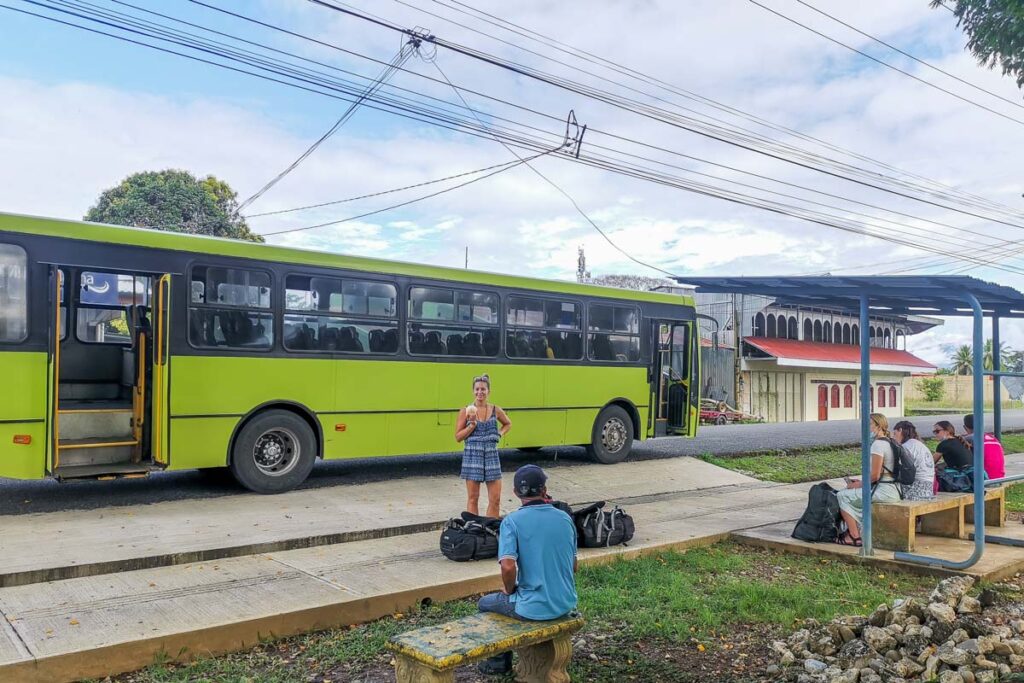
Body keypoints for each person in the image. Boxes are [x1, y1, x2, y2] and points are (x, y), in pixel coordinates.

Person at [476, 464, 578, 674]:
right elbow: (573, 566)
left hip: (533, 607)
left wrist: (510, 589)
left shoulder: (512, 522)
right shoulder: (565, 518)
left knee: (485, 604)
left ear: (515, 493)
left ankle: (497, 663)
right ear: (544, 489)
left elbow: (507, 565)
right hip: (566, 603)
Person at [836, 413, 901, 546]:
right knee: (851, 496)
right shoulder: (889, 442)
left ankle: (854, 536)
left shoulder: (878, 445)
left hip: (885, 491)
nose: (866, 428)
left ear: (878, 426)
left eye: (869, 425)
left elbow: (875, 476)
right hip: (893, 489)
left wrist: (856, 485)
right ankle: (855, 531)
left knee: (842, 496)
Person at [455, 374, 511, 518]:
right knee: (473, 498)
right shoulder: (466, 410)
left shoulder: (495, 409)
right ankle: (474, 530)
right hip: (473, 456)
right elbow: (458, 437)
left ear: (488, 391)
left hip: (492, 456)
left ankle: (490, 530)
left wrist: (499, 434)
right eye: (477, 389)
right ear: (473, 391)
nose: (480, 392)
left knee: (495, 499)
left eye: (483, 389)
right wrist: (471, 426)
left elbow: (508, 424)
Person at [892, 421, 935, 501]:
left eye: (894, 433)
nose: (894, 437)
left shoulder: (906, 447)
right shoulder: (919, 444)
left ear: (900, 430)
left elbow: (901, 471)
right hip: (928, 489)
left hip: (915, 489)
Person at [963, 413, 1005, 480]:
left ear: (965, 427)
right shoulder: (993, 438)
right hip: (999, 477)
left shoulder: (968, 438)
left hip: (985, 479)